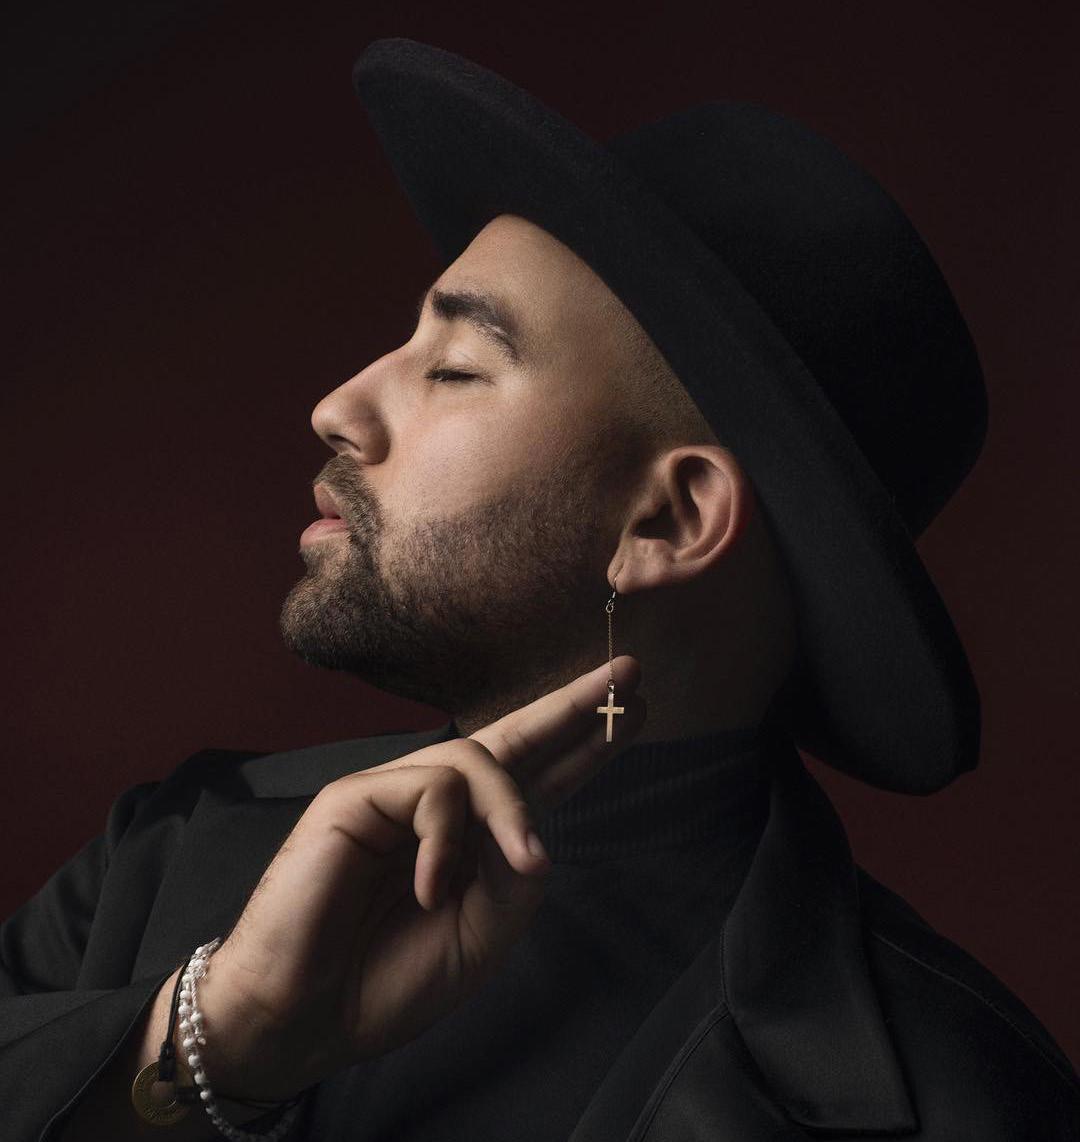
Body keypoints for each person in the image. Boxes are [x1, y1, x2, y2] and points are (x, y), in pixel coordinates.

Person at [3, 36, 1077, 1142]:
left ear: (670, 519)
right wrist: (212, 1039)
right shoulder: (166, 851)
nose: (338, 408)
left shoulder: (954, 1096)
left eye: (455, 369)